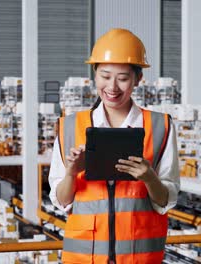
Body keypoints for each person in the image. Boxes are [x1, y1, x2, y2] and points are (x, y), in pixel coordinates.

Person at [48, 28, 180, 264]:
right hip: (83, 259)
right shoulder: (69, 127)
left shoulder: (161, 126)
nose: (112, 87)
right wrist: (71, 172)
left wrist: (150, 178)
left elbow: (165, 201)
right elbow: (62, 201)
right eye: (105, 76)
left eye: (123, 78)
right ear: (94, 75)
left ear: (138, 79)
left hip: (138, 258)